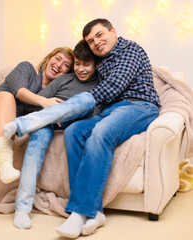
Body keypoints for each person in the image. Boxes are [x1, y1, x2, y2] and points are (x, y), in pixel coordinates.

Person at [55, 18, 161, 238]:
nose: (96, 43)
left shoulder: (130, 49)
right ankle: (95, 213)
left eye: (100, 35)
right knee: (73, 131)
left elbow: (113, 87)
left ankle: (79, 212)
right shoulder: (100, 61)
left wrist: (71, 107)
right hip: (111, 111)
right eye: (91, 41)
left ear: (113, 31)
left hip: (139, 106)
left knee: (100, 133)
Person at [0, 47, 74, 216]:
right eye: (58, 58)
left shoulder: (55, 89)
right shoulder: (27, 68)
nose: (59, 65)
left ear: (67, 73)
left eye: (66, 65)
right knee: (7, 96)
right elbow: (19, 92)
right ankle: (5, 162)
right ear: (49, 58)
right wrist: (44, 102)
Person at [12, 39, 100, 229]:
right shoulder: (63, 80)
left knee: (84, 101)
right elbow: (36, 105)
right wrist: (51, 110)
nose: (81, 69)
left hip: (73, 123)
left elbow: (96, 114)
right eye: (77, 64)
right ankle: (22, 208)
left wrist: (67, 115)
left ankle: (19, 125)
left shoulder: (100, 86)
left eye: (86, 65)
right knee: (38, 138)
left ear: (96, 65)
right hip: (46, 122)